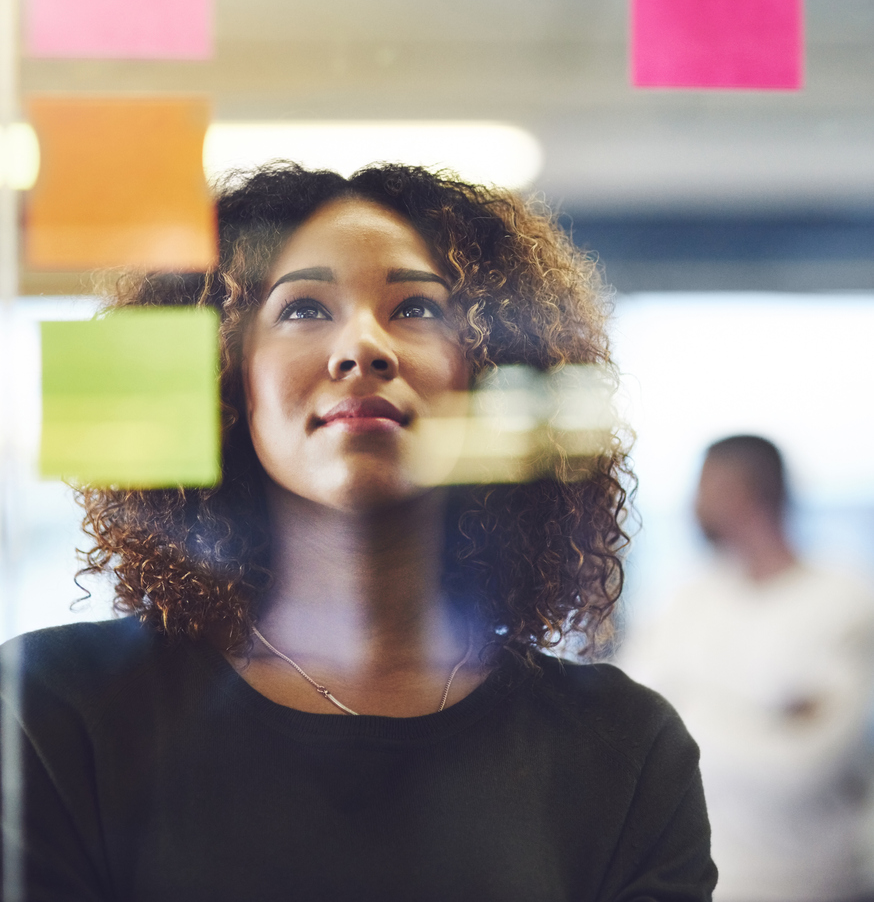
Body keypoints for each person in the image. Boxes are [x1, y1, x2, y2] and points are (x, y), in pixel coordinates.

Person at [0, 163, 716, 901]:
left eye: (415, 308)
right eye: (305, 308)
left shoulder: (623, 751)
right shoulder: (55, 714)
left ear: (490, 370)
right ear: (227, 377)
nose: (363, 346)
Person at [621, 434, 874, 902]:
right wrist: (762, 719)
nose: (693, 505)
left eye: (707, 487)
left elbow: (801, 767)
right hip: (699, 882)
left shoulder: (844, 602)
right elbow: (629, 730)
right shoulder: (688, 599)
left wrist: (684, 710)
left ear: (748, 493)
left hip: (814, 884)